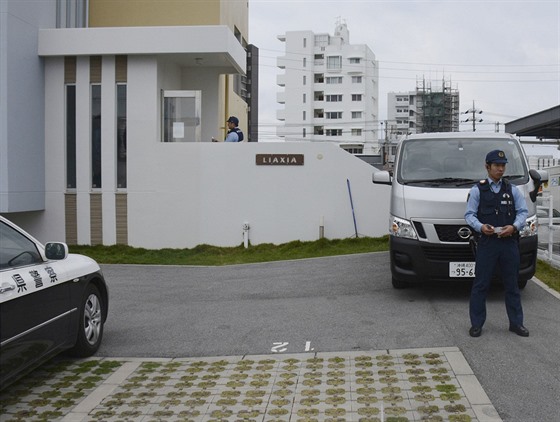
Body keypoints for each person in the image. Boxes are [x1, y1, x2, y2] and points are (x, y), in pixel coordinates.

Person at [464, 149, 529, 338]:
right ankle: (476, 324)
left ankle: (516, 323)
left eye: (503, 166)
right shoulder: (478, 190)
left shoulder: (512, 189)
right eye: (496, 166)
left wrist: (514, 226)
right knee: (481, 284)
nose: (500, 169)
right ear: (487, 167)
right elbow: (469, 215)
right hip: (487, 243)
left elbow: (523, 212)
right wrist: (481, 227)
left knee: (512, 285)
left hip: (509, 243)